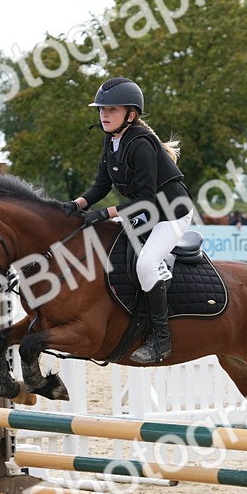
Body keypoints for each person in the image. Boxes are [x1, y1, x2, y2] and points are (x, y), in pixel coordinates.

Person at [64, 77, 194, 364]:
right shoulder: (111, 141)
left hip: (172, 212)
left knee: (147, 264)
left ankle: (162, 340)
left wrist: (106, 213)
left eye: (111, 110)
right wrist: (75, 205)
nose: (104, 115)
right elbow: (100, 187)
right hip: (149, 212)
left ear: (131, 115)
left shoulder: (141, 144)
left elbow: (147, 199)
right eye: (101, 110)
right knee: (115, 253)